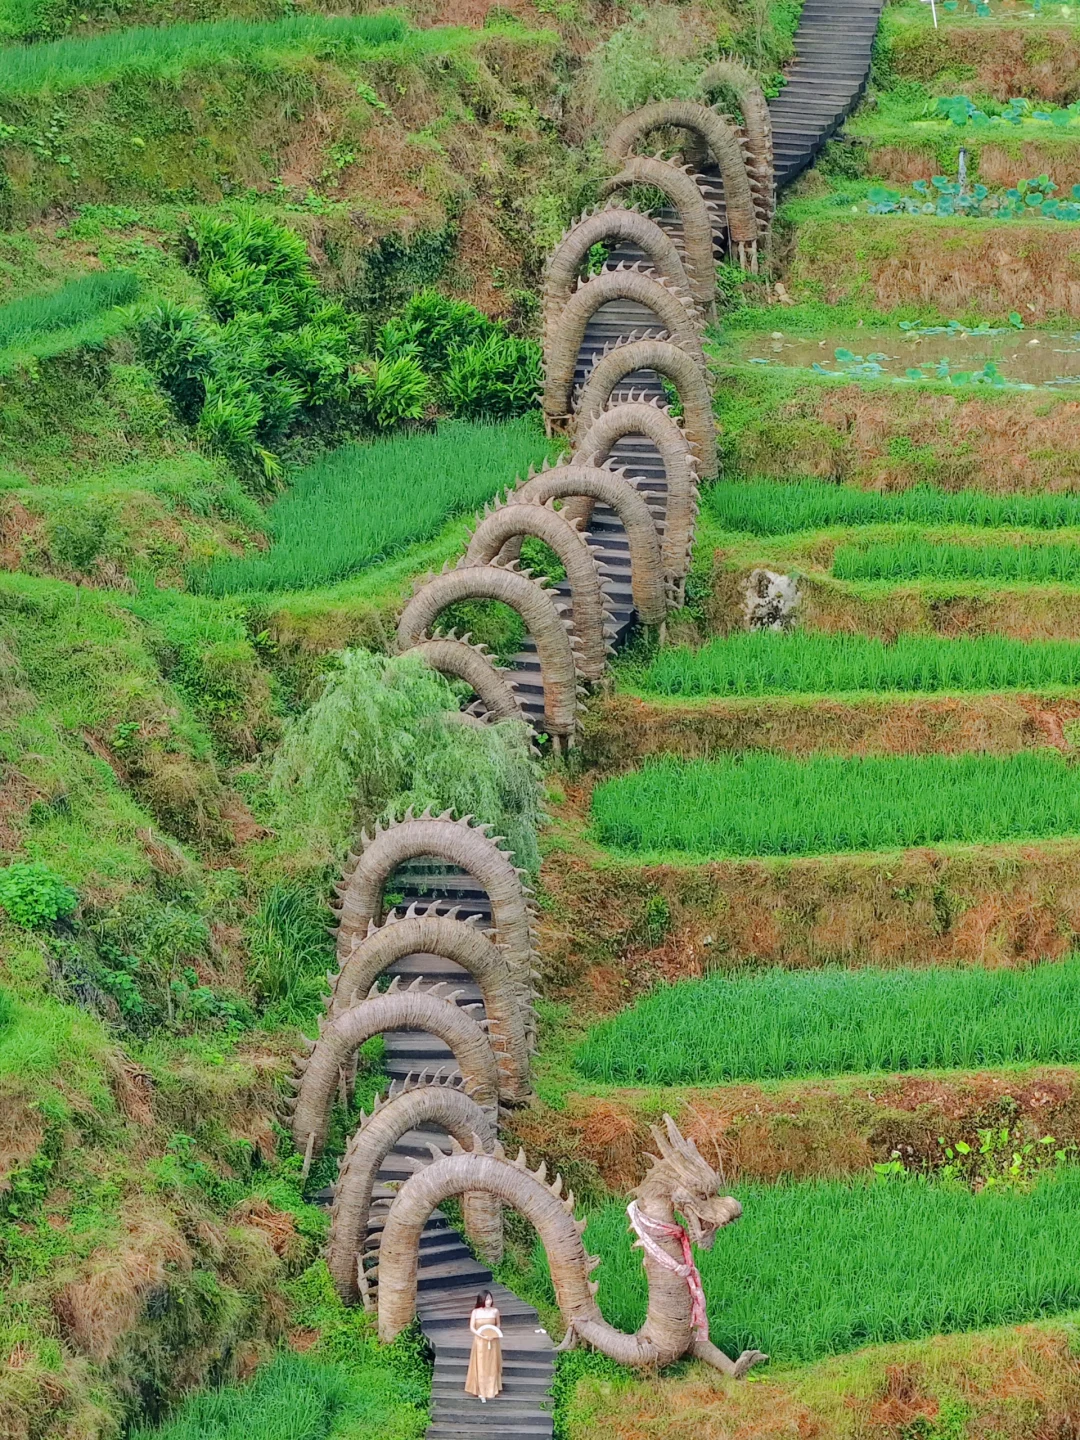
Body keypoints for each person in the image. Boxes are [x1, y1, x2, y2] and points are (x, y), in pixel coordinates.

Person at [465, 1290, 503, 1402]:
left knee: (492, 1363)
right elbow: (472, 1327)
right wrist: (481, 1335)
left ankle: (491, 1389)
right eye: (486, 1299)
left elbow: (498, 1324)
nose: (489, 1301)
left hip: (492, 1340)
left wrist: (494, 1334)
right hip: (480, 1341)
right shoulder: (475, 1312)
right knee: (480, 1364)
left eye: (490, 1299)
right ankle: (481, 1391)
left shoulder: (495, 1311)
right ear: (481, 1300)